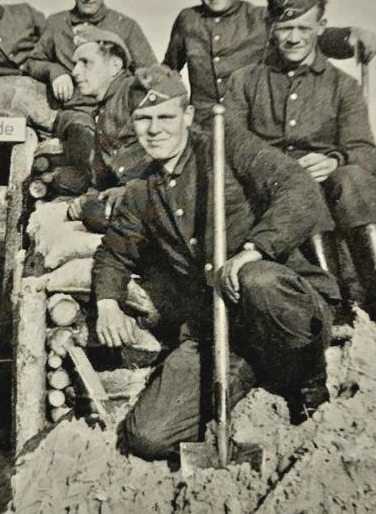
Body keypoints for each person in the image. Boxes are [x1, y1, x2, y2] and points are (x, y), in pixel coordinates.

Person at [91, 65, 339, 460]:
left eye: (165, 116)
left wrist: (254, 250)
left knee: (257, 280)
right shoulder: (140, 190)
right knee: (149, 437)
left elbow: (299, 188)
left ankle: (308, 383)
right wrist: (107, 302)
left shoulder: (227, 146)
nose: (154, 129)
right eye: (143, 119)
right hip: (219, 331)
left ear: (187, 115)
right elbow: (113, 253)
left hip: (280, 310)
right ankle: (255, 372)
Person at [224, 0, 376, 331]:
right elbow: (231, 143)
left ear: (321, 27)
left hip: (327, 181)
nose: (294, 38)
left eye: (304, 28)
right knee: (301, 191)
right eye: (285, 27)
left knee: (354, 179)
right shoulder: (243, 82)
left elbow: (367, 153)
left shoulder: (342, 86)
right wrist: (283, 170)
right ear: (270, 26)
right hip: (268, 185)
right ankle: (332, 304)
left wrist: (336, 161)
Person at [162, 0, 376, 120]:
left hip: (250, 128)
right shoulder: (187, 20)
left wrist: (349, 36)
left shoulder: (261, 18)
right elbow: (168, 70)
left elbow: (311, 36)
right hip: (203, 130)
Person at [25, 0, 158, 193]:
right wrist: (54, 70)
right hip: (76, 112)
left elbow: (150, 73)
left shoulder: (125, 27)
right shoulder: (56, 24)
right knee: (82, 136)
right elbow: (32, 62)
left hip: (116, 112)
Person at [61, 28, 148, 231]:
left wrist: (128, 190)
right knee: (91, 212)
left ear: (114, 66)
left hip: (158, 194)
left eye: (86, 62)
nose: (75, 72)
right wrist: (87, 198)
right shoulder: (102, 110)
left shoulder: (136, 92)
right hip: (134, 194)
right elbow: (102, 178)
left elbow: (165, 155)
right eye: (75, 64)